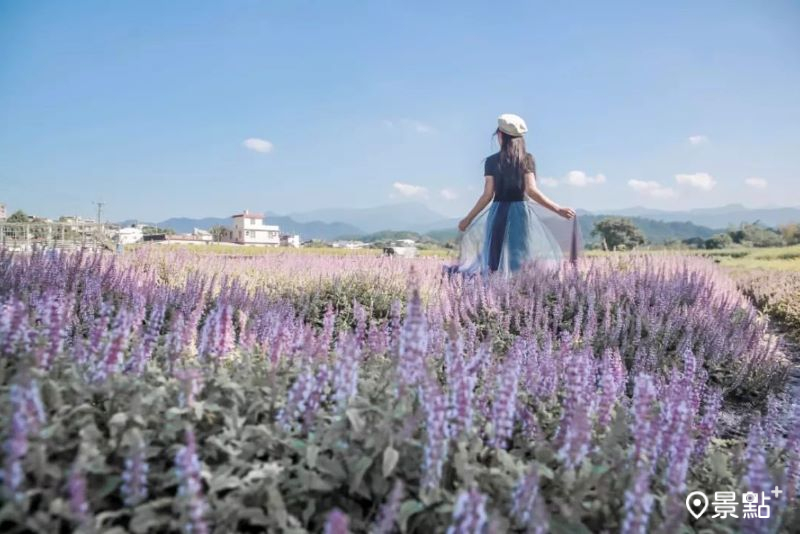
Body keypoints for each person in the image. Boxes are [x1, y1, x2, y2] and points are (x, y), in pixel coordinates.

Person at [455, 113, 577, 275]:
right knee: (520, 254)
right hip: (520, 213)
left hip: (498, 212)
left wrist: (468, 219)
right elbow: (531, 190)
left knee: (495, 255)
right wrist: (558, 209)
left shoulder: (492, 161)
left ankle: (496, 292)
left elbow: (487, 195)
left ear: (500, 135)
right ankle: (520, 291)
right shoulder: (527, 159)